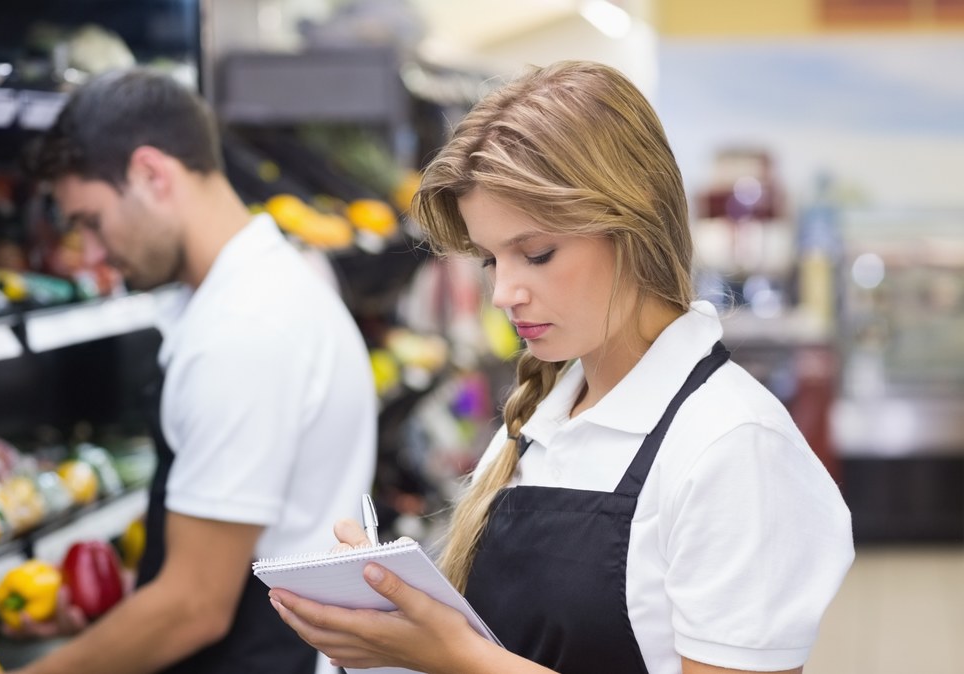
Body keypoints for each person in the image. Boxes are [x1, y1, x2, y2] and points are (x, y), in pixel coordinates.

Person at [268, 60, 854, 674]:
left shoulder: (733, 446)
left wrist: (455, 657)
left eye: (537, 253)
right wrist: (392, 632)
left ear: (634, 225)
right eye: (493, 261)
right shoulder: (540, 420)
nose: (503, 294)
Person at [0, 69, 377, 674]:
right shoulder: (271, 286)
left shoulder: (242, 330)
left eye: (90, 220)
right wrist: (110, 610)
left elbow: (193, 606)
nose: (91, 253)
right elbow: (239, 550)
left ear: (151, 175)